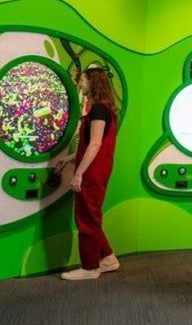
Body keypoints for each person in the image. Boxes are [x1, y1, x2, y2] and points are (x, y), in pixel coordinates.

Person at [60, 67, 121, 280]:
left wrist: (79, 174)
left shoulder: (98, 109)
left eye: (83, 80)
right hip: (98, 170)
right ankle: (108, 259)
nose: (80, 84)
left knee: (86, 219)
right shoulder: (106, 108)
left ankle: (90, 267)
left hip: (92, 173)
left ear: (93, 82)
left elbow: (95, 144)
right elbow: (93, 143)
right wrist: (71, 158)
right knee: (91, 217)